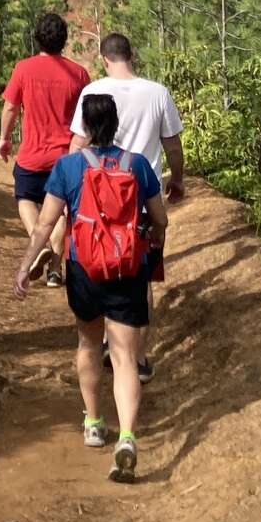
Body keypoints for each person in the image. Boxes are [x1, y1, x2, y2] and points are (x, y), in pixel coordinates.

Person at [15, 89, 168, 483]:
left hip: (84, 270)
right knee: (124, 356)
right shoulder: (137, 166)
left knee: (87, 344)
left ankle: (95, 423)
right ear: (116, 126)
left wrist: (25, 265)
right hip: (127, 271)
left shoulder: (67, 167)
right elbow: (160, 219)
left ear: (84, 126)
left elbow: (46, 224)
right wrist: (152, 244)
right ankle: (129, 436)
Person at [69, 32, 185, 378]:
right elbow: (173, 145)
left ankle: (107, 339)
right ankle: (136, 357)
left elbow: (78, 143)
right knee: (141, 276)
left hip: (97, 194)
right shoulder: (157, 92)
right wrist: (177, 180)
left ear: (104, 59)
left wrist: (72, 187)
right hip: (143, 195)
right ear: (131, 55)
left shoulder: (93, 92)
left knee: (99, 263)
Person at [0, 12, 90, 288]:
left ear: (37, 38)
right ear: (64, 40)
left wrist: (4, 138)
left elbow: (11, 107)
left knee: (25, 198)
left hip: (32, 154)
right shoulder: (79, 74)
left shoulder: (24, 69)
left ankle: (40, 245)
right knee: (61, 211)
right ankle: (54, 270)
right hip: (67, 156)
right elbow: (88, 117)